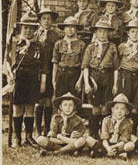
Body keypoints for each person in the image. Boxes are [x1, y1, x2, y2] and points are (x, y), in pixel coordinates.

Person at [11, 11, 49, 148]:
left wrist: (43, 83)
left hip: (33, 80)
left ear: (35, 30)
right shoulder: (15, 44)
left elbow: (44, 67)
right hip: (18, 80)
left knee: (30, 108)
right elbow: (8, 63)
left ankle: (28, 136)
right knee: (18, 109)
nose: (28, 31)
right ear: (21, 28)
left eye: (31, 28)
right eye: (25, 27)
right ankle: (17, 137)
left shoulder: (39, 47)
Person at [82, 17, 120, 139]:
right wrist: (87, 83)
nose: (102, 34)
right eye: (100, 31)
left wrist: (115, 84)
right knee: (95, 108)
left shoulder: (113, 47)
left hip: (108, 77)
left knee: (105, 108)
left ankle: (103, 134)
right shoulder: (91, 47)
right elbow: (85, 66)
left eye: (105, 31)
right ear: (96, 32)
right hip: (94, 77)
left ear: (108, 33)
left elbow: (115, 67)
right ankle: (93, 134)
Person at [117, 19, 138, 132]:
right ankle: (123, 130)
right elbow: (117, 64)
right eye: (132, 31)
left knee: (136, 105)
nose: (135, 34)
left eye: (137, 32)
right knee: (124, 103)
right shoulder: (122, 47)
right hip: (125, 77)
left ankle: (134, 132)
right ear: (128, 33)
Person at [35, 8, 63, 136]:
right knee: (38, 99)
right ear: (40, 21)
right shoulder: (36, 34)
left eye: (49, 18)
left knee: (48, 99)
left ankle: (47, 128)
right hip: (37, 70)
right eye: (44, 18)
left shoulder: (57, 35)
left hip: (51, 70)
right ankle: (37, 129)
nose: (46, 21)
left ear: (52, 21)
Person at [86, 94, 135, 159]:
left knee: (130, 145)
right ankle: (110, 153)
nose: (119, 111)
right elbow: (104, 139)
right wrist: (108, 148)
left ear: (127, 111)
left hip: (119, 145)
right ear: (112, 109)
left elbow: (123, 140)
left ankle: (104, 153)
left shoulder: (129, 123)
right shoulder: (106, 120)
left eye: (123, 109)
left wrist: (113, 147)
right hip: (106, 145)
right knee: (88, 139)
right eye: (116, 108)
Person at [53, 17, 86, 100]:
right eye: (67, 27)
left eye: (72, 27)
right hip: (61, 74)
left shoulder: (81, 44)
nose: (70, 29)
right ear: (64, 29)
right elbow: (55, 63)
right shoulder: (59, 43)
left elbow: (83, 65)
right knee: (59, 100)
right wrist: (54, 80)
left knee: (75, 100)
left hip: (75, 75)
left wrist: (80, 80)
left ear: (76, 29)